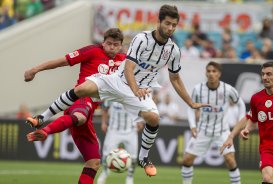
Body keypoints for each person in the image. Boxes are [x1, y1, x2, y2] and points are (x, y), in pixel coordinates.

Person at [26, 4, 209, 177]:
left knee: (154, 119)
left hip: (137, 92)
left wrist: (191, 103)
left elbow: (175, 78)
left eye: (174, 25)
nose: (170, 28)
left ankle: (144, 158)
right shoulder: (141, 39)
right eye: (167, 23)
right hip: (118, 81)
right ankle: (42, 117)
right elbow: (128, 66)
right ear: (159, 22)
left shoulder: (174, 51)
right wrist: (135, 88)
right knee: (82, 89)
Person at [24, 28, 126, 184]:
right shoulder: (92, 51)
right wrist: (35, 69)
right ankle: (44, 128)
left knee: (94, 162)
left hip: (90, 111)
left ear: (120, 46)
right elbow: (63, 61)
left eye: (116, 44)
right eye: (109, 43)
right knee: (81, 117)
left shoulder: (124, 61)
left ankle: (44, 121)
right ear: (103, 43)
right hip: (79, 101)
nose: (111, 47)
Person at [181, 61, 246, 184]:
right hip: (202, 131)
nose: (211, 74)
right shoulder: (198, 89)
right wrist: (193, 125)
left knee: (230, 160)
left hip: (222, 131)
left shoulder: (228, 89)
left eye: (214, 71)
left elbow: (241, 104)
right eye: (209, 71)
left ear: (219, 74)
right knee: (187, 160)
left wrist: (241, 122)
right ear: (205, 73)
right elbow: (191, 107)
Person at [230, 61, 273, 184]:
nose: (264, 77)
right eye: (263, 74)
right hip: (268, 148)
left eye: (269, 74)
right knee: (268, 178)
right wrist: (247, 129)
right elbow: (253, 120)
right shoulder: (256, 98)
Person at [97, 101, 144, 184]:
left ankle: (130, 177)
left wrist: (140, 121)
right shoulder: (112, 93)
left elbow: (140, 109)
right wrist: (104, 122)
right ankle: (105, 172)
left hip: (131, 130)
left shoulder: (133, 95)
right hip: (114, 130)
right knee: (105, 155)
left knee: (133, 158)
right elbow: (105, 108)